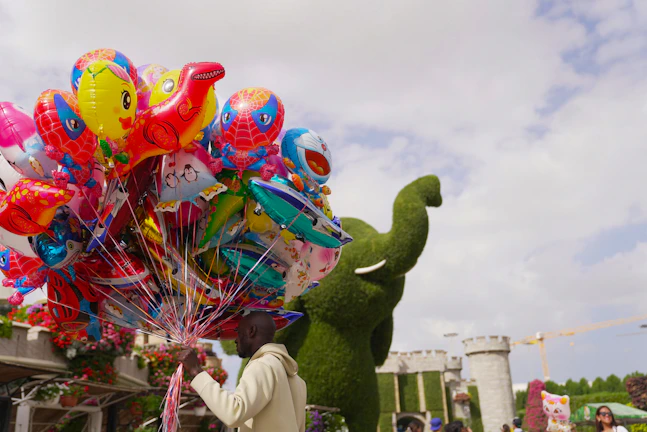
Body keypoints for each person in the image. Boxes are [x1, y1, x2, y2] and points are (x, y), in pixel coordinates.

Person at [179, 311, 307, 432]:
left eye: (238, 333)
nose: (235, 340)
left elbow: (233, 413)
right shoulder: (297, 381)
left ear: (252, 331)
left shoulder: (262, 365)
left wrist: (196, 371)